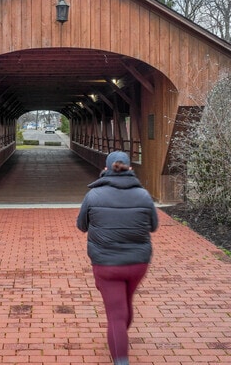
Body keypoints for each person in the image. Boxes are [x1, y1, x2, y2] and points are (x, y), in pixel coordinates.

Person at [77, 151, 159, 365]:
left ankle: (121, 359)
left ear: (105, 168)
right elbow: (154, 226)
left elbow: (81, 226)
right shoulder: (143, 195)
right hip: (138, 263)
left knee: (116, 315)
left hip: (106, 264)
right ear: (130, 168)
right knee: (125, 306)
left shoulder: (94, 195)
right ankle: (119, 333)